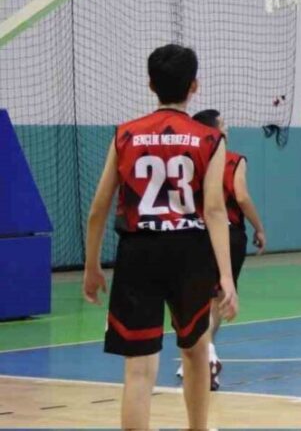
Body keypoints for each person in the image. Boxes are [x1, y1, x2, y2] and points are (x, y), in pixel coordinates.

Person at [81, 44, 238, 430]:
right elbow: (215, 211)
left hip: (139, 252)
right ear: (195, 85)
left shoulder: (125, 135)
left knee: (138, 368)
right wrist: (227, 276)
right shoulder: (209, 139)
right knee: (196, 350)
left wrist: (91, 266)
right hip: (189, 253)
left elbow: (99, 208)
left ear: (151, 84)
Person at [169, 109, 266, 389]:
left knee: (192, 300)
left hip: (188, 234)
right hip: (225, 233)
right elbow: (242, 196)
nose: (227, 127)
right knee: (218, 299)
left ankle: (195, 356)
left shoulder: (184, 161)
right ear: (213, 130)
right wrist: (259, 226)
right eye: (223, 124)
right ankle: (206, 355)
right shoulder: (232, 159)